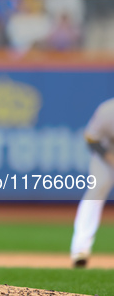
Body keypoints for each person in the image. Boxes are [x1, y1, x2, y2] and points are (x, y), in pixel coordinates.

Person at [70, 98, 114, 268]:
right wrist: (110, 157)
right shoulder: (108, 110)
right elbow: (91, 138)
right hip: (107, 153)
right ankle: (80, 249)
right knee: (97, 188)